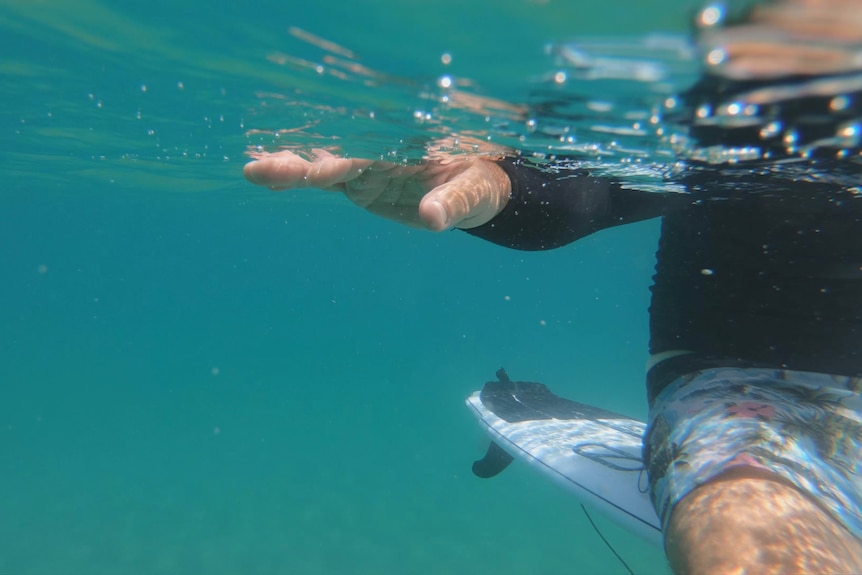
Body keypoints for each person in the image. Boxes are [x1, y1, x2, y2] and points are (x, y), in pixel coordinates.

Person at [244, 1, 862, 572]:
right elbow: (597, 192)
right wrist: (501, 191)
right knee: (745, 526)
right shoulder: (736, 115)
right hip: (755, 386)